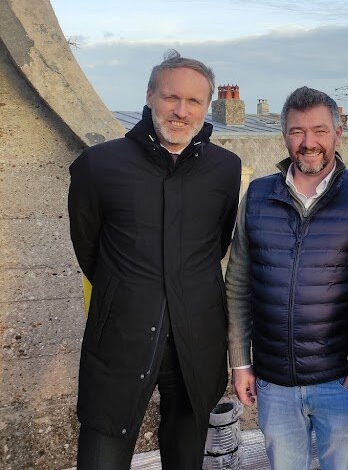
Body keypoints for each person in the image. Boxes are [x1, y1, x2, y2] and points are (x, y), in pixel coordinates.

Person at [68, 50, 242, 469]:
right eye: (170, 98)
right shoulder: (98, 165)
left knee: (186, 457)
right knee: (102, 455)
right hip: (120, 340)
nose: (181, 111)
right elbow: (89, 249)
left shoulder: (225, 168)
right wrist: (130, 291)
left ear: (207, 105)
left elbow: (215, 244)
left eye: (194, 101)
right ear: (149, 96)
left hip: (196, 341)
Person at [225, 86, 348, 470]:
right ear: (284, 135)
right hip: (274, 382)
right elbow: (238, 284)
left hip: (341, 379)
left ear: (338, 132)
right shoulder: (257, 195)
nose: (308, 142)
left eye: (319, 130)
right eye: (297, 131)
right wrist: (240, 361)